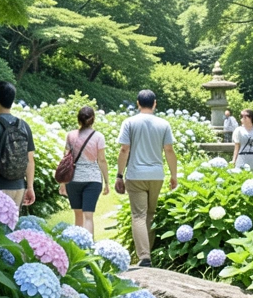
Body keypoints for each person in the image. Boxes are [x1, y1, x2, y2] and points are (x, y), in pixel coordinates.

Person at [116, 89, 178, 267]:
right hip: (156, 175)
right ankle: (147, 255)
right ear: (155, 103)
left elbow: (124, 150)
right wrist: (174, 175)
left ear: (137, 103)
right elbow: (169, 150)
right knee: (150, 214)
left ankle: (144, 257)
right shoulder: (163, 124)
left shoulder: (129, 122)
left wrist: (119, 175)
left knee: (138, 216)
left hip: (136, 174)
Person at [59, 106, 109, 234]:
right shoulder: (98, 137)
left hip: (73, 179)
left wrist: (62, 183)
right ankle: (89, 248)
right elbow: (102, 160)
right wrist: (107, 182)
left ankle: (78, 246)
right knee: (88, 217)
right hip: (93, 180)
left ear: (78, 119)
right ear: (93, 119)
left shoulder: (71, 135)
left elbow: (66, 159)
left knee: (78, 216)